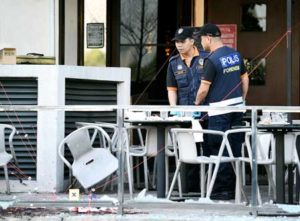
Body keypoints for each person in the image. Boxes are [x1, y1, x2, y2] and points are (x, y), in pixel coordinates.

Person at [194, 23, 249, 200]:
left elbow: (203, 88)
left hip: (219, 111)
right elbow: (245, 79)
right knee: (234, 147)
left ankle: (221, 190)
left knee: (219, 149)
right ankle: (234, 188)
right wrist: (242, 99)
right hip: (237, 109)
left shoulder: (212, 59)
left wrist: (196, 104)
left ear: (208, 38)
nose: (201, 43)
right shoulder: (235, 54)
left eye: (201, 39)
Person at [166, 26, 208, 193]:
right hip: (185, 116)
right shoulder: (173, 62)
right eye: (176, 42)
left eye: (182, 41)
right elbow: (172, 89)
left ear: (192, 41)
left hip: (206, 114)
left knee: (209, 149)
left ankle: (208, 186)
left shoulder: (207, 58)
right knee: (187, 149)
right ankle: (189, 187)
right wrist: (174, 110)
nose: (179, 45)